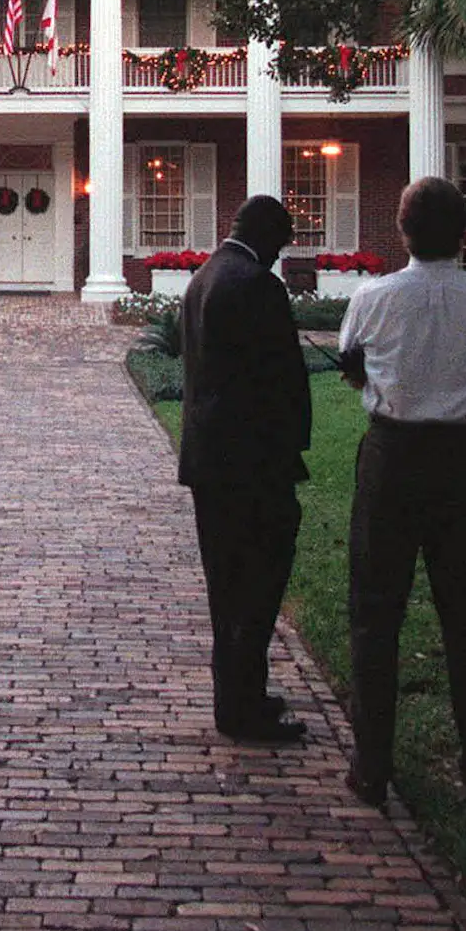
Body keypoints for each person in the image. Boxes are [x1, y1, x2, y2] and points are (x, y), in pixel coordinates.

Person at [336, 177, 466, 807]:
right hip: (463, 463)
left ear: (402, 229)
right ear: (464, 231)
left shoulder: (373, 297)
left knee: (375, 615)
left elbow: (351, 361)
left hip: (393, 457)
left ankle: (372, 765)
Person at [179, 195, 312, 744]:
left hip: (210, 461)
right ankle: (243, 709)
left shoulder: (205, 276)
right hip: (252, 464)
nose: (282, 255)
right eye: (281, 243)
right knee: (256, 587)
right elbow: (279, 379)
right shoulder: (257, 283)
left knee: (226, 588)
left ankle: (238, 694)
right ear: (266, 235)